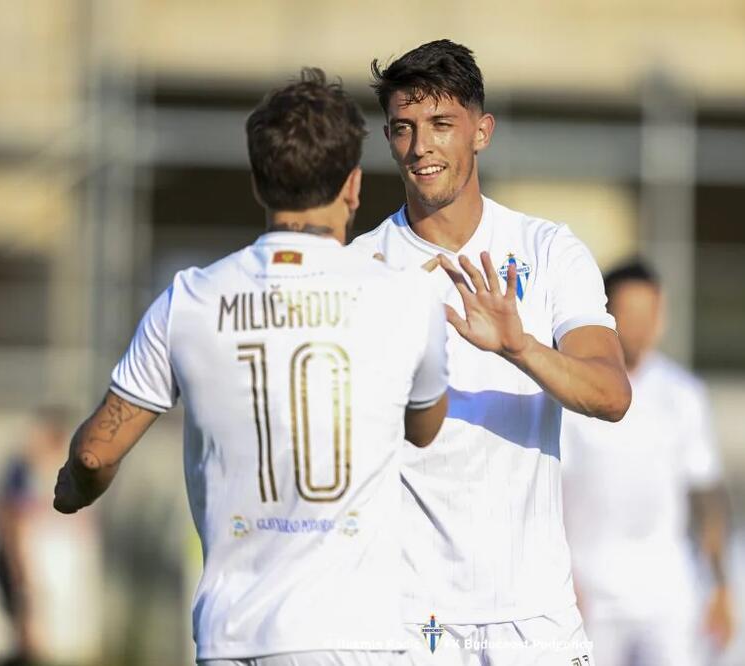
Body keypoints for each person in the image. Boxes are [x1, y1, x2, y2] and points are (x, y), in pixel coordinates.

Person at [53, 68, 450, 666]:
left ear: (260, 186)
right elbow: (423, 427)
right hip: (349, 635)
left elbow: (94, 453)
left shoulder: (189, 299)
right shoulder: (407, 298)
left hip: (231, 636)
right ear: (353, 185)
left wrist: (71, 492)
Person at [351, 40, 630, 665]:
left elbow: (611, 396)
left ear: (482, 132)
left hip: (536, 616)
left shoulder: (550, 249)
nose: (421, 146)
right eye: (404, 128)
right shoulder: (359, 268)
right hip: (408, 617)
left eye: (442, 125)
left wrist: (519, 346)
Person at [561, 258, 735, 666]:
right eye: (630, 313)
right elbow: (549, 492)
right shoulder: (570, 391)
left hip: (668, 595)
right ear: (605, 313)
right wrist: (563, 580)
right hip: (589, 597)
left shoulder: (683, 394)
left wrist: (723, 586)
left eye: (649, 313)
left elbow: (707, 493)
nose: (640, 326)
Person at [0, 407, 100, 666]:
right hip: (15, 559)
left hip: (16, 559)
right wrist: (21, 569)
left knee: (28, 633)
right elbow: (10, 521)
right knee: (29, 635)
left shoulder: (21, 470)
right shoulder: (20, 471)